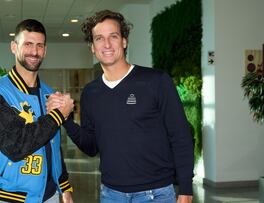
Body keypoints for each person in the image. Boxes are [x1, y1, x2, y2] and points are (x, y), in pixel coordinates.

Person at [47, 10, 194, 203]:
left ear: (124, 41)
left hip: (155, 194)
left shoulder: (156, 81)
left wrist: (186, 190)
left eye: (113, 36)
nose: (106, 44)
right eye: (99, 38)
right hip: (111, 194)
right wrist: (64, 118)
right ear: (92, 47)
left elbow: (181, 137)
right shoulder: (91, 93)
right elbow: (91, 146)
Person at [0, 19, 74, 203]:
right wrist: (58, 115)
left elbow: (52, 144)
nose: (34, 52)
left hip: (50, 196)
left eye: (40, 45)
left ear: (45, 50)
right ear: (14, 47)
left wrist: (64, 186)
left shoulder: (48, 93)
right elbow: (16, 145)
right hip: (11, 198)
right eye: (28, 44)